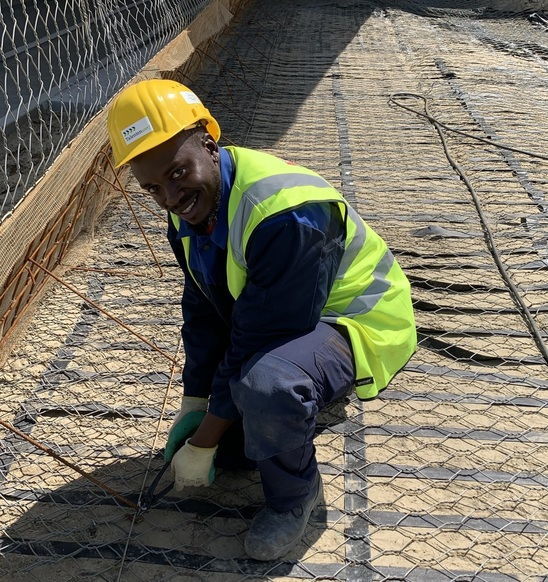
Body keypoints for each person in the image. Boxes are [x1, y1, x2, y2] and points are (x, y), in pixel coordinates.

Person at [107, 79, 416, 561]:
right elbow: (203, 305)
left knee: (267, 386)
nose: (169, 196)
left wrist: (207, 436)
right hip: (285, 309)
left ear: (209, 144)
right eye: (152, 188)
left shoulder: (285, 213)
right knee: (234, 450)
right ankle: (272, 415)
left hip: (357, 318)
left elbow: (262, 336)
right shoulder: (191, 206)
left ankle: (295, 500)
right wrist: (195, 401)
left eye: (177, 173)